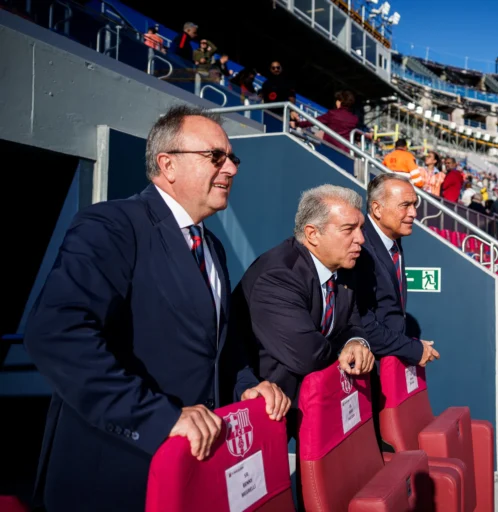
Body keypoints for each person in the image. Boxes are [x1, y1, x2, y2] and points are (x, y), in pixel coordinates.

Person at [23, 106, 290, 512]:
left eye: (232, 157)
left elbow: (216, 348)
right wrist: (158, 418)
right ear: (167, 164)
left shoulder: (211, 246)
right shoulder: (112, 224)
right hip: (115, 473)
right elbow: (57, 335)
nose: (231, 168)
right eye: (215, 156)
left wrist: (247, 386)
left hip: (191, 470)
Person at [232, 185, 376, 410]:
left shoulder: (345, 267)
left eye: (361, 228)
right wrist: (344, 351)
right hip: (269, 407)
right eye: (349, 229)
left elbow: (353, 323)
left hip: (311, 404)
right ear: (312, 234)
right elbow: (308, 356)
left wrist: (356, 342)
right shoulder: (278, 276)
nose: (361, 239)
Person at [356, 173, 440, 366]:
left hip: (389, 362)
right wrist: (412, 348)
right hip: (369, 368)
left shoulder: (393, 239)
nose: (414, 213)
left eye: (414, 205)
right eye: (405, 205)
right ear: (377, 208)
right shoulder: (360, 249)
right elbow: (363, 323)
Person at [291, 90, 360, 153]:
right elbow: (356, 135)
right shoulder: (354, 119)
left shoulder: (333, 114)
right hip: (344, 151)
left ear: (339, 102)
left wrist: (297, 124)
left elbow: (314, 121)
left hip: (328, 147)